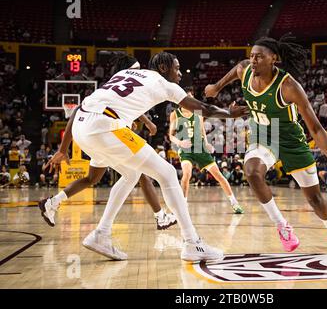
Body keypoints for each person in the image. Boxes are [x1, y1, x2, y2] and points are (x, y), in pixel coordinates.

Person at [43, 51, 248, 261]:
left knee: (131, 174)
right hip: (105, 126)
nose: (179, 74)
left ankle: (101, 234)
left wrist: (63, 148)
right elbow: (202, 108)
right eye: (176, 69)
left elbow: (86, 105)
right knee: (167, 173)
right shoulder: (164, 84)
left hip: (81, 127)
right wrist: (229, 114)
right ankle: (192, 243)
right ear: (162, 68)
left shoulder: (124, 73)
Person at [205, 34, 327, 252]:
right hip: (263, 135)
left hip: (291, 139)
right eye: (252, 56)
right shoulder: (245, 71)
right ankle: (282, 225)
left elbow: (316, 129)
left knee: (315, 199)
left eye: (259, 57)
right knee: (252, 172)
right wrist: (216, 87)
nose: (253, 61)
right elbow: (237, 67)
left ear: (274, 59)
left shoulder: (289, 86)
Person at [40, 55, 177, 231]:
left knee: (92, 178)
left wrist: (63, 148)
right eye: (135, 69)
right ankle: (160, 216)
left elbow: (80, 112)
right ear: (127, 70)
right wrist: (148, 122)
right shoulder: (128, 83)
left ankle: (52, 203)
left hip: (91, 133)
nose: (139, 72)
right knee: (139, 171)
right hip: (107, 130)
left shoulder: (110, 87)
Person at [169, 88, 244, 214]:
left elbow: (201, 128)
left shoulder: (198, 112)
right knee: (187, 174)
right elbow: (171, 135)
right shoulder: (175, 114)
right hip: (186, 149)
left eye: (191, 97)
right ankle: (183, 205)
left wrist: (206, 143)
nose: (190, 99)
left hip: (200, 148)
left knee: (218, 175)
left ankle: (234, 203)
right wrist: (179, 142)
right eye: (187, 97)